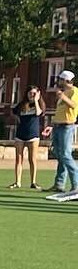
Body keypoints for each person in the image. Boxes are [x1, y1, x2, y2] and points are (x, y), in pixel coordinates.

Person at [46, 69, 78, 198]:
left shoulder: (74, 91)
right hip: (58, 126)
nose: (58, 81)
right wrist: (52, 125)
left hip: (67, 126)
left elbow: (74, 105)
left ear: (67, 81)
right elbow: (60, 111)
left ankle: (76, 184)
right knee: (59, 155)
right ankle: (59, 184)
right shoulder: (64, 92)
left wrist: (63, 97)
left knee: (65, 154)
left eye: (60, 79)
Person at [10, 85, 45, 190]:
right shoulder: (22, 105)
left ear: (38, 94)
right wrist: (18, 119)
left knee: (32, 159)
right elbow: (13, 112)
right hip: (20, 135)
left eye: (34, 93)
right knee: (18, 159)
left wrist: (36, 100)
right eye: (30, 93)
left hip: (33, 136)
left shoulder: (39, 105)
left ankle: (33, 182)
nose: (31, 95)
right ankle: (17, 182)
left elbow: (39, 113)